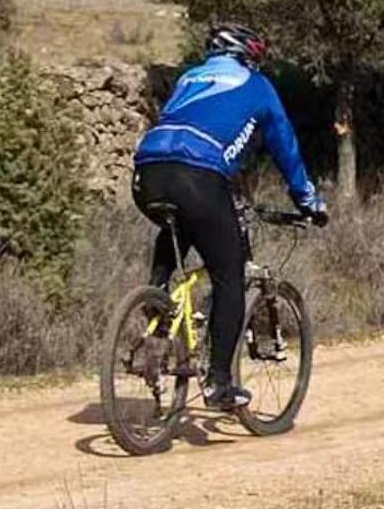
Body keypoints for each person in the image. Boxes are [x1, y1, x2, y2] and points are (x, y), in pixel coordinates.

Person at [132, 22, 328, 410]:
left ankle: (157, 291)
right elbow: (284, 145)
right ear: (249, 55)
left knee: (181, 220)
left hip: (146, 172)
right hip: (200, 177)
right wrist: (308, 200)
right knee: (229, 276)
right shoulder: (257, 86)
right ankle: (220, 382)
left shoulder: (189, 78)